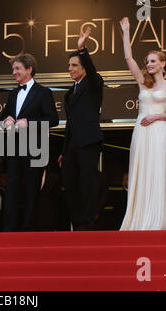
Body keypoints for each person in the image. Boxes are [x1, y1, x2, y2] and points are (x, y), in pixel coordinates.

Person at [118, 17, 166, 230]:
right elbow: (128, 58)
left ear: (163, 63)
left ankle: (158, 220)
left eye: (153, 60)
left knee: (158, 172)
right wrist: (126, 32)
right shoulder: (142, 82)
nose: (149, 64)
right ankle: (138, 218)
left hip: (159, 131)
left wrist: (156, 117)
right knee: (141, 171)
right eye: (147, 61)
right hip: (142, 132)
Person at [1, 53, 59, 231]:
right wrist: (6, 121)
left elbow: (53, 119)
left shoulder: (43, 92)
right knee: (11, 189)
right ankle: (9, 230)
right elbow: (3, 118)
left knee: (32, 190)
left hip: (34, 149)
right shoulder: (13, 94)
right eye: (13, 69)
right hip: (13, 148)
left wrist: (29, 123)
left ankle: (29, 230)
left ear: (29, 69)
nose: (14, 72)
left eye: (17, 68)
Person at [58, 27, 104, 231]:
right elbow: (70, 124)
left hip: (89, 142)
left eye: (74, 65)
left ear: (84, 68)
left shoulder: (94, 84)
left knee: (88, 183)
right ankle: (77, 221)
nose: (70, 68)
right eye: (69, 65)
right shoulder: (69, 93)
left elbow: (93, 72)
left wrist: (82, 48)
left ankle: (87, 223)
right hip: (71, 147)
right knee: (69, 183)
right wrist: (63, 151)